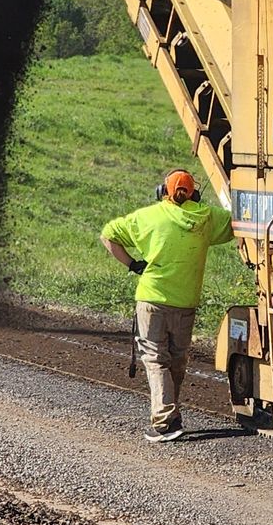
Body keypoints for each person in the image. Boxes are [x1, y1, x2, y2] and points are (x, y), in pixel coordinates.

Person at [100, 168, 234, 442]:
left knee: (155, 358)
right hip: (186, 302)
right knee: (176, 358)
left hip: (152, 299)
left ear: (162, 192)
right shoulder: (206, 218)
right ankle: (172, 415)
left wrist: (133, 264)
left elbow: (108, 235)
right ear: (194, 194)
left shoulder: (148, 216)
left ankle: (163, 422)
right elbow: (236, 225)